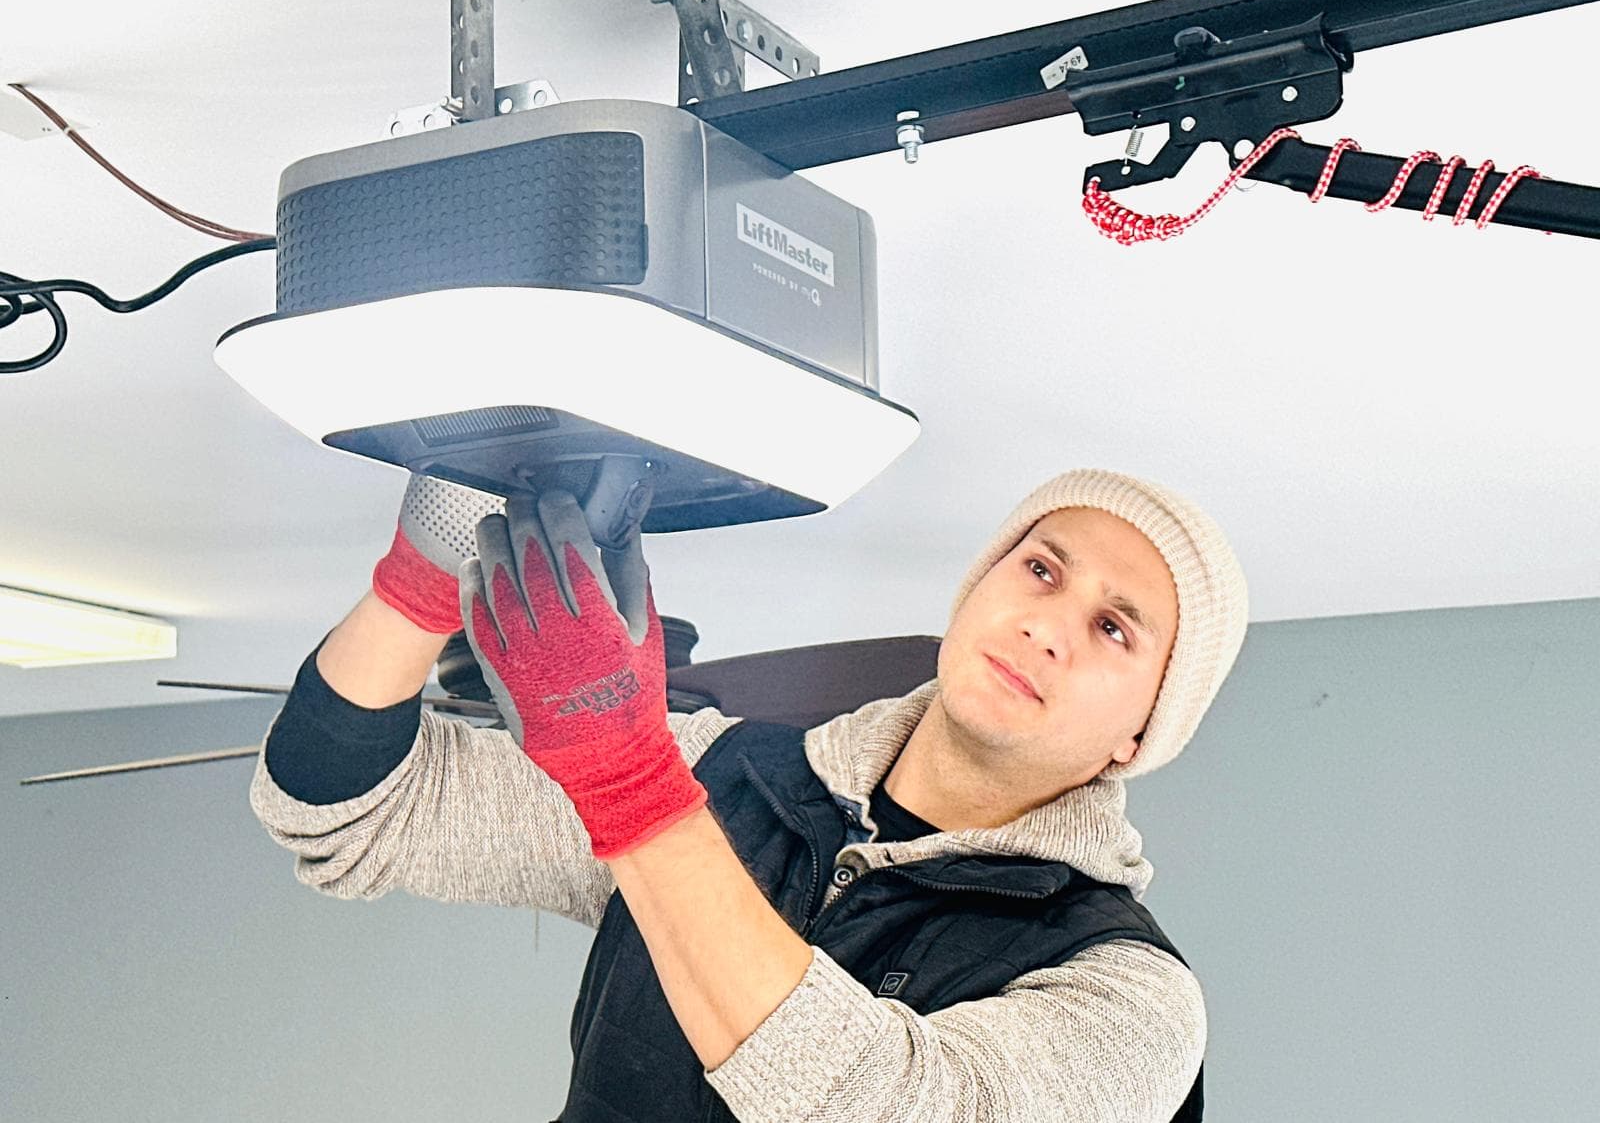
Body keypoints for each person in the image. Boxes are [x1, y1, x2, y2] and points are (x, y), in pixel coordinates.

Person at [251, 466, 1249, 1121]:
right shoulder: (722, 778)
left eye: (1116, 627)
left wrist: (624, 775)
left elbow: (891, 1104)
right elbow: (345, 804)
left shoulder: (1128, 996)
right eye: (1039, 568)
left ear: (1142, 729)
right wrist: (426, 569)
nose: (1048, 624)